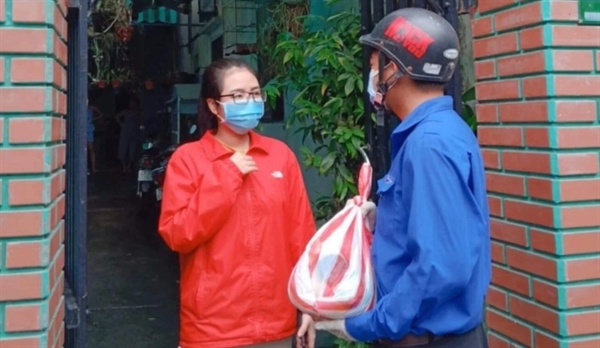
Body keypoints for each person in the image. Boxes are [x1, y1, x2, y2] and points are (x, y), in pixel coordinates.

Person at [300, 8, 491, 348]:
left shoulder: (428, 145)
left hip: (428, 340)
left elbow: (440, 266)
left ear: (396, 69)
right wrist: (384, 218)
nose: (371, 74)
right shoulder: (443, 132)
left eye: (375, 65)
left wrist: (370, 323)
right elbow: (440, 231)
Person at [158, 58, 316, 348]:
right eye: (238, 95)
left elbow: (302, 237)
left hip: (277, 325)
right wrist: (227, 176)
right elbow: (177, 234)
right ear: (214, 106)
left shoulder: (279, 156)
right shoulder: (188, 160)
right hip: (213, 330)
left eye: (255, 93)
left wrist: (308, 306)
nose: (250, 101)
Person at [116, 96, 144, 173]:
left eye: (133, 103)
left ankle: (129, 166)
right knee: (123, 148)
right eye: (131, 103)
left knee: (132, 149)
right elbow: (117, 117)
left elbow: (141, 123)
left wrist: (141, 129)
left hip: (134, 132)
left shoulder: (138, 113)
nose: (132, 104)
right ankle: (124, 166)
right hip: (125, 131)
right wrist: (122, 125)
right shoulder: (126, 111)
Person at [87, 98, 104, 173]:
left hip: (89, 128)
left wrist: (93, 119)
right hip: (82, 128)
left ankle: (93, 167)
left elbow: (101, 114)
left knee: (91, 149)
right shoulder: (80, 107)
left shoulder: (92, 108)